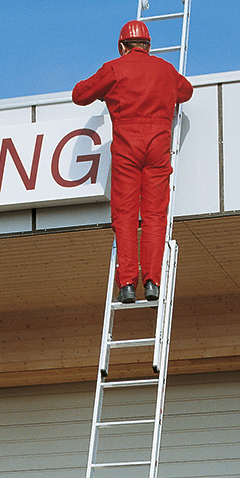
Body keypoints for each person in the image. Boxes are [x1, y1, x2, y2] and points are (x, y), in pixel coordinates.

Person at [72, 20, 193, 304]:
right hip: (157, 150)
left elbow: (79, 95)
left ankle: (127, 284)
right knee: (155, 216)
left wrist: (106, 90)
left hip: (127, 150)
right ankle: (153, 281)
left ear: (122, 46)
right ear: (149, 46)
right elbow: (186, 91)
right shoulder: (165, 70)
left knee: (125, 218)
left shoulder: (114, 68)